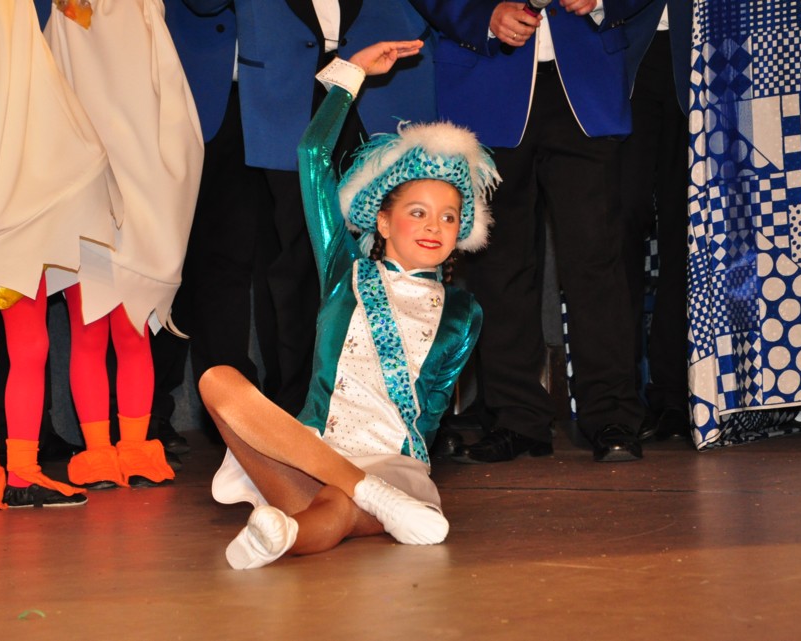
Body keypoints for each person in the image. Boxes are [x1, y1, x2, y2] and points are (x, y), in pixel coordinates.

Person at [198, 41, 499, 569]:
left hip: (392, 465)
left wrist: (399, 477)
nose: (434, 226)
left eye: (449, 217)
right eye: (418, 212)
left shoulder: (463, 313)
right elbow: (312, 158)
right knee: (216, 379)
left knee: (334, 507)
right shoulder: (346, 271)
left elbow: (429, 413)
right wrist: (350, 76)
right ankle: (363, 495)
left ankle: (282, 535)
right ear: (383, 221)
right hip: (309, 454)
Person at [409, 0, 652, 463]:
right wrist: (482, 16)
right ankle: (516, 418)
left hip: (587, 85)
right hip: (484, 83)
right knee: (498, 266)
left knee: (597, 259)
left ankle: (611, 415)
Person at [175, 0, 437, 418]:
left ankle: (379, 405)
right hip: (274, 89)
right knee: (291, 260)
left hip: (367, 78)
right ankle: (294, 410)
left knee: (381, 256)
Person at [0, 0, 115, 511]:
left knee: (0, 346)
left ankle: (1, 473)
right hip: (0, 199)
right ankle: (8, 472)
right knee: (12, 344)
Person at [39, 0, 204, 488]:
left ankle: (134, 448)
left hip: (143, 193)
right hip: (83, 191)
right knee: (89, 329)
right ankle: (97, 452)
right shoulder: (64, 14)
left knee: (133, 331)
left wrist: (165, 190)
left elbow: (172, 112)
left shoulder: (145, 10)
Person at [620, 0, 693, 441]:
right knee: (619, 221)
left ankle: (677, 392)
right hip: (621, 52)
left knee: (687, 232)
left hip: (705, 55)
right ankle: (619, 395)